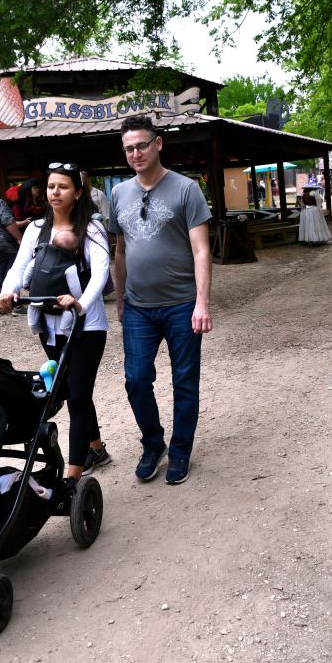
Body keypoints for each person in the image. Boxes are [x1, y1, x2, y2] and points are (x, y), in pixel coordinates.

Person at [109, 115, 213, 485]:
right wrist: (119, 298)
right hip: (138, 306)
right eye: (128, 149)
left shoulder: (187, 189)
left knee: (185, 381)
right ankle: (153, 444)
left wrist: (202, 302)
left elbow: (202, 251)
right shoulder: (119, 193)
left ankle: (180, 451)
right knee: (136, 379)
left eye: (140, 145)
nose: (135, 153)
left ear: (158, 144)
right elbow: (119, 250)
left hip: (183, 303)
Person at [0, 163, 111, 483]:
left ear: (77, 192)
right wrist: (7, 293)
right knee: (74, 388)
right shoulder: (36, 229)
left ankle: (73, 476)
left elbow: (101, 272)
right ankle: (96, 447)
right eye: (51, 187)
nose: (55, 192)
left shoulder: (90, 229)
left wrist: (81, 303)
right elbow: (19, 268)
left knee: (76, 393)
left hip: (86, 326)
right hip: (49, 326)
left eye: (63, 186)